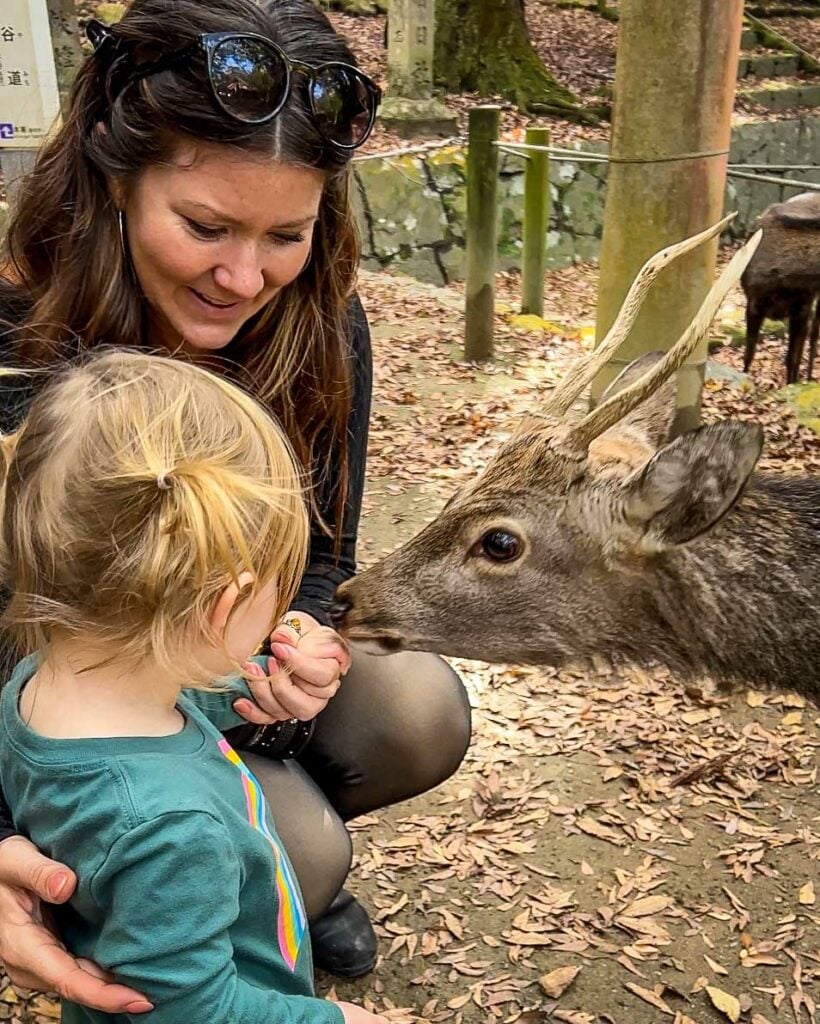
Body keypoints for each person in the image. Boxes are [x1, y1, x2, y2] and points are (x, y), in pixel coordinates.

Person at [0, 0, 472, 1009]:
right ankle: (243, 873)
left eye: (285, 235)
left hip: (205, 669)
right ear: (112, 178)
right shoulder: (11, 329)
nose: (244, 277)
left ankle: (272, 877)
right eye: (205, 227)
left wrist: (297, 641)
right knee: (291, 844)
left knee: (414, 707)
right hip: (44, 700)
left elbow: (325, 555)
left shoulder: (316, 318)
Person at [0, 349, 394, 1024]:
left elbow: (168, 701)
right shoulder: (171, 829)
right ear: (224, 606)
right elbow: (191, 1010)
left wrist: (250, 680)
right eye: (276, 585)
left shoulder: (38, 687)